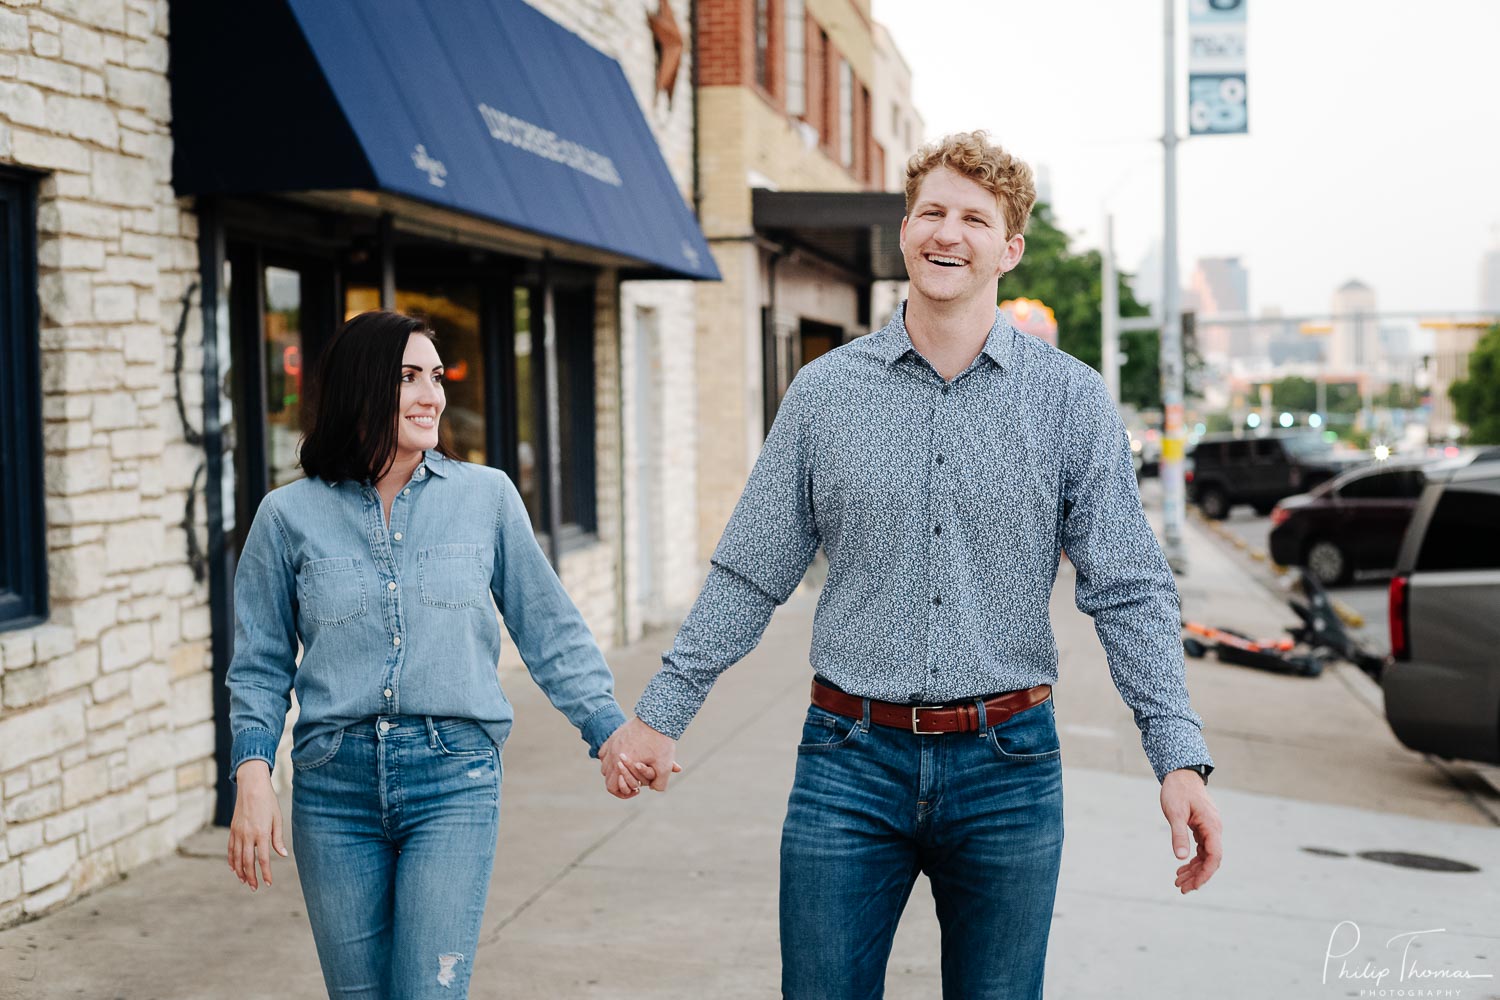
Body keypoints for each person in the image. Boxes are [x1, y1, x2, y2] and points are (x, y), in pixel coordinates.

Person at [602, 132, 1223, 999]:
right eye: (932, 210)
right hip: (848, 762)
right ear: (904, 231)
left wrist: (1177, 756)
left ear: (1009, 248)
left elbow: (1128, 588)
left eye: (975, 218)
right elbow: (752, 572)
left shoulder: (1070, 401)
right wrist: (660, 714)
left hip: (1008, 769)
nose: (949, 231)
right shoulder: (825, 393)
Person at [226, 311, 635, 999]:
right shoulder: (287, 516)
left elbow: (548, 628)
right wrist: (253, 773)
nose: (433, 396)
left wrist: (608, 730)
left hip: (453, 779)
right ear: (362, 388)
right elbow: (261, 664)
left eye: (436, 377)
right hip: (333, 786)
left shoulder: (486, 498)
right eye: (408, 377)